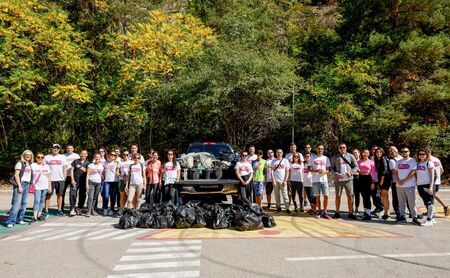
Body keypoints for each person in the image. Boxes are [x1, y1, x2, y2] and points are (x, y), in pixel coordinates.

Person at [6, 150, 33, 227]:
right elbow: (16, 175)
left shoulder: (29, 164)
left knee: (24, 203)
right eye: (26, 155)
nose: (28, 156)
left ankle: (20, 219)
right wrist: (19, 186)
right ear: (23, 155)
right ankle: (10, 221)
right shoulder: (19, 163)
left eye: (30, 155)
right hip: (20, 184)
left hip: (27, 184)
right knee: (17, 203)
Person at [331, 143, 358, 220]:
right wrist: (336, 174)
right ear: (338, 149)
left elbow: (356, 166)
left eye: (344, 147)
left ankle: (350, 213)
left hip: (348, 180)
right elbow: (332, 168)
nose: (342, 149)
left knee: (350, 196)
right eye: (340, 147)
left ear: (346, 148)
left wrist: (351, 172)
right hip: (338, 180)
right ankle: (337, 212)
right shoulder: (335, 157)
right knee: (337, 196)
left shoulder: (350, 156)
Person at [394, 147, 420, 225]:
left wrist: (404, 181)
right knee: (401, 202)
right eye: (403, 152)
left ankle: (414, 217)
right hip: (399, 186)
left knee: (411, 202)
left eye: (406, 151)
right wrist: (398, 180)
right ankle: (402, 217)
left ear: (409, 152)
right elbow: (395, 172)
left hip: (409, 185)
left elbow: (413, 172)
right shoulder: (399, 161)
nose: (404, 153)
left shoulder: (412, 161)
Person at [44, 144, 68, 217]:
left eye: (57, 148)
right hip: (50, 180)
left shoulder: (62, 157)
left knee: (60, 195)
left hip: (60, 179)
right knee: (48, 195)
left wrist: (64, 177)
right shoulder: (47, 157)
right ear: (51, 149)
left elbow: (65, 167)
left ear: (59, 149)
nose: (55, 149)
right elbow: (43, 167)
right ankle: (46, 211)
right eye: (54, 148)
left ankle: (59, 210)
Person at [309, 144, 331, 219]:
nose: (320, 150)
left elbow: (329, 169)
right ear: (316, 149)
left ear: (323, 150)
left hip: (324, 180)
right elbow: (309, 169)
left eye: (321, 149)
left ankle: (325, 212)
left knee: (326, 196)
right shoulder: (313, 158)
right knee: (317, 196)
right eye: (319, 148)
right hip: (315, 180)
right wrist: (316, 170)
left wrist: (325, 171)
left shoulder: (326, 158)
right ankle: (319, 211)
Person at [425, 147, 448, 216]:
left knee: (432, 195)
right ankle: (431, 210)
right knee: (432, 195)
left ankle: (445, 207)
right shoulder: (437, 159)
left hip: (431, 181)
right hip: (437, 181)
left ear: (427, 153)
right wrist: (438, 177)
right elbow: (442, 170)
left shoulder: (428, 160)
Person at [415, 149, 435, 226]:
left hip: (427, 184)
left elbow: (432, 176)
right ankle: (432, 218)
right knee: (426, 202)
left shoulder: (429, 163)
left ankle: (429, 220)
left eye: (423, 154)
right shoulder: (418, 163)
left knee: (430, 202)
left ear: (426, 155)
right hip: (420, 185)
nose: (421, 155)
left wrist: (430, 187)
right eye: (420, 154)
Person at [30, 152, 51, 222]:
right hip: (36, 186)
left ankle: (39, 215)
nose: (40, 158)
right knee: (37, 201)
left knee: (42, 201)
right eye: (38, 157)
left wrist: (49, 186)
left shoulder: (46, 166)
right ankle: (34, 216)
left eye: (42, 157)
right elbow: (29, 175)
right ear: (36, 158)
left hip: (45, 186)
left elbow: (49, 176)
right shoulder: (33, 165)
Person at [357, 150, 376, 220]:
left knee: (367, 197)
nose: (365, 154)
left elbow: (373, 173)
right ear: (362, 153)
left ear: (369, 154)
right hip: (361, 179)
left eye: (367, 153)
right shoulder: (359, 161)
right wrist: (359, 171)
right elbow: (356, 169)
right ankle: (365, 212)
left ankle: (368, 214)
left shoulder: (371, 162)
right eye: (364, 153)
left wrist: (373, 182)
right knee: (363, 196)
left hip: (368, 179)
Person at [70, 150, 90, 216]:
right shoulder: (75, 161)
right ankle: (72, 209)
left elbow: (89, 173)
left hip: (83, 182)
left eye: (85, 153)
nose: (83, 155)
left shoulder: (88, 163)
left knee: (82, 195)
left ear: (87, 155)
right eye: (82, 153)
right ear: (80, 154)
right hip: (75, 181)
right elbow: (72, 170)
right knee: (73, 194)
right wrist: (72, 180)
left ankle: (79, 209)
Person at [272, 149, 291, 213]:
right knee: (277, 195)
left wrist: (285, 180)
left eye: (280, 152)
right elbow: (272, 171)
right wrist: (273, 180)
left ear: (282, 153)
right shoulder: (273, 161)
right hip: (276, 181)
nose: (279, 153)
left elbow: (287, 171)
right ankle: (278, 207)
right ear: (276, 153)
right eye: (278, 152)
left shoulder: (285, 161)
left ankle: (287, 208)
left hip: (283, 181)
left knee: (285, 194)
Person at [62, 145, 80, 213]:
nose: (69, 149)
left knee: (73, 193)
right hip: (64, 176)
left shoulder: (76, 156)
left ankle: (72, 208)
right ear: (66, 149)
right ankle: (61, 208)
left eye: (71, 148)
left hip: (73, 177)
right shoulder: (63, 156)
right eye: (68, 148)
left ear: (73, 149)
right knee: (62, 193)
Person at [373, 147, 389, 220]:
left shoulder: (383, 159)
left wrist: (382, 180)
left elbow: (385, 170)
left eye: (380, 152)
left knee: (384, 195)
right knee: (383, 196)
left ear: (382, 153)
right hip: (380, 179)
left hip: (385, 179)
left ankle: (386, 213)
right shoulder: (377, 160)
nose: (378, 153)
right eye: (377, 152)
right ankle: (386, 212)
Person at [387, 146, 402, 219]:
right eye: (390, 150)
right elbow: (393, 171)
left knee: (406, 198)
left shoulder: (403, 158)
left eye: (393, 149)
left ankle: (411, 213)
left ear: (397, 150)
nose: (392, 151)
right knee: (396, 198)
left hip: (406, 181)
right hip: (395, 182)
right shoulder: (391, 160)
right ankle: (398, 213)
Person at [118, 151, 132, 216]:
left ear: (129, 155)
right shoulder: (120, 163)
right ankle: (122, 209)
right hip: (122, 180)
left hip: (130, 181)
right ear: (122, 155)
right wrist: (120, 175)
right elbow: (117, 171)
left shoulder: (132, 162)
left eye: (127, 154)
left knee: (130, 195)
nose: (126, 156)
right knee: (122, 196)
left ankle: (130, 209)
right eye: (124, 154)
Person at [352, 149, 361, 214]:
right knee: (351, 194)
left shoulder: (361, 161)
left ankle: (356, 208)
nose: (355, 154)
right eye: (354, 153)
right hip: (352, 178)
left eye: (356, 153)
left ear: (359, 153)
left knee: (357, 194)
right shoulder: (351, 162)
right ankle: (351, 208)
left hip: (359, 179)